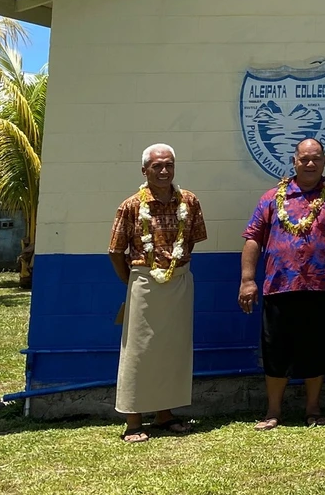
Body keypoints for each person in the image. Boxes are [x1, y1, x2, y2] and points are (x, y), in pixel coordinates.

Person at [239, 138, 325, 430]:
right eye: (304, 159)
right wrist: (247, 279)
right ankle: (273, 412)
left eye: (315, 158)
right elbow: (253, 237)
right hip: (280, 285)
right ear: (294, 161)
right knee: (276, 349)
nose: (310, 163)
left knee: (317, 349)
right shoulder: (272, 197)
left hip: (323, 286)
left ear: (324, 161)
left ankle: (313, 408)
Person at [108, 143, 206, 442]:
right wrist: (133, 281)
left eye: (169, 165)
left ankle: (165, 416)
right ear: (144, 170)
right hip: (143, 281)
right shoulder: (131, 206)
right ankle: (134, 421)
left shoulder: (189, 201)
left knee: (173, 350)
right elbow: (115, 250)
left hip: (179, 281)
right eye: (157, 166)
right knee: (139, 351)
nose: (164, 171)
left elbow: (191, 242)